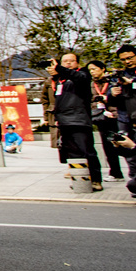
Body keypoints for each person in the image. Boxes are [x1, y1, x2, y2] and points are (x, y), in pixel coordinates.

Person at [49, 53, 102, 191]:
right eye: (64, 61)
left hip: (79, 120)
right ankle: (79, 178)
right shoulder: (60, 80)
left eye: (71, 61)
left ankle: (96, 179)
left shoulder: (82, 74)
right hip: (64, 121)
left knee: (87, 151)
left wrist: (60, 68)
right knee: (73, 153)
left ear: (77, 63)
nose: (68, 64)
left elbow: (78, 77)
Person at [89, 61, 125, 182]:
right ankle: (115, 172)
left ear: (102, 69)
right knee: (107, 146)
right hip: (101, 116)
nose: (92, 72)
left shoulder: (112, 81)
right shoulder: (91, 84)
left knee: (122, 143)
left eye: (94, 69)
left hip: (116, 115)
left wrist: (107, 99)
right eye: (90, 70)